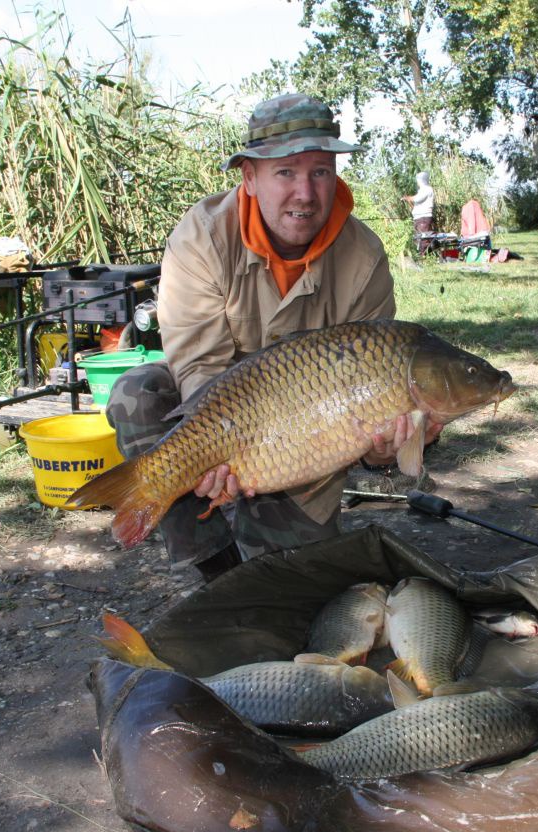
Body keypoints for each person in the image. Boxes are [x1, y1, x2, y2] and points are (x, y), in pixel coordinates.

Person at [106, 93, 441, 580]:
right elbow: (198, 366)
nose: (305, 193)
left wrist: (385, 447)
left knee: (294, 582)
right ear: (249, 176)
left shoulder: (365, 257)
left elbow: (374, 396)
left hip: (312, 427)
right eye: (285, 172)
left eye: (321, 172)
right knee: (138, 393)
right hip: (221, 406)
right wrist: (217, 453)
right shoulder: (201, 237)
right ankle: (214, 570)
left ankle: (270, 554)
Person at [402, 171, 436, 254]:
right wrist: (409, 200)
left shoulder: (427, 189)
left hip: (423, 218)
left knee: (423, 238)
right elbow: (417, 202)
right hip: (419, 218)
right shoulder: (422, 190)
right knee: (419, 238)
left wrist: (407, 198)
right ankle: (424, 256)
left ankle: (424, 257)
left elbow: (417, 199)